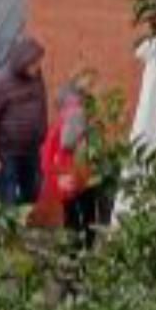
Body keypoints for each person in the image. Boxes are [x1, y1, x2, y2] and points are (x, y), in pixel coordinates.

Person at [0, 36, 47, 206]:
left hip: (31, 147)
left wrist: (42, 132)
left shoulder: (36, 76)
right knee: (8, 193)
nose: (38, 66)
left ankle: (24, 220)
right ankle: (10, 228)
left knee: (33, 189)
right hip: (8, 150)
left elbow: (41, 103)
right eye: (34, 63)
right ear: (22, 63)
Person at [42, 76, 101, 239]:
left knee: (78, 219)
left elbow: (47, 162)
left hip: (79, 181)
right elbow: (47, 162)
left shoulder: (70, 128)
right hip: (76, 181)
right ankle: (80, 250)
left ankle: (77, 251)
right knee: (81, 218)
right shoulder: (86, 127)